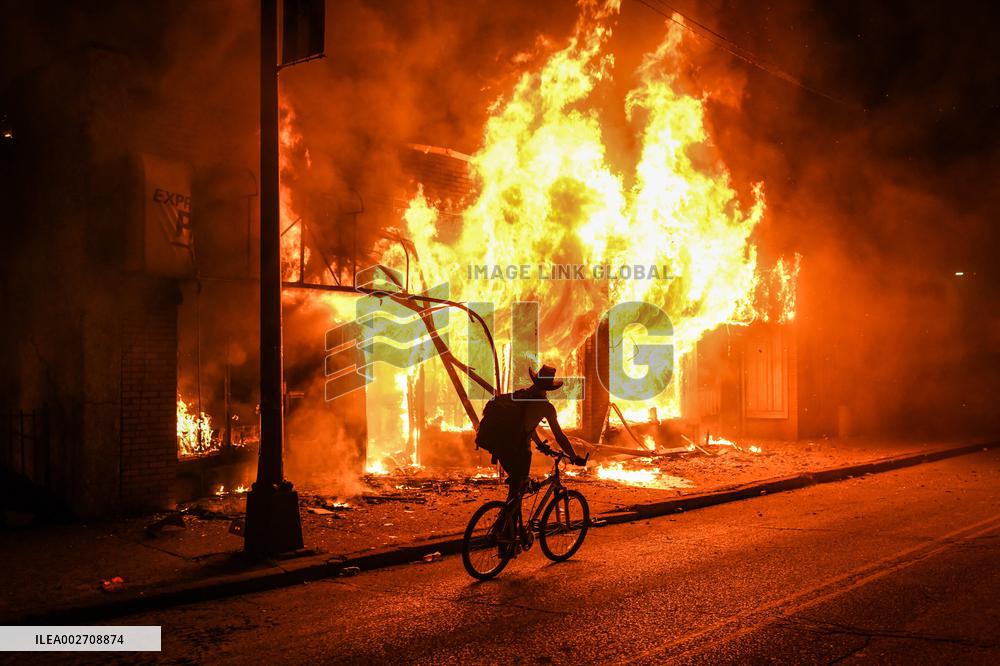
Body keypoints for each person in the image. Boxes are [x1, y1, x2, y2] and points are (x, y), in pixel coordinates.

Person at [476, 364, 587, 518]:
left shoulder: (521, 396)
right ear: (548, 387)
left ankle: (509, 532)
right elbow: (559, 436)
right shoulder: (546, 407)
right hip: (519, 452)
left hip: (501, 446)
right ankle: (505, 532)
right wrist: (573, 456)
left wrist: (540, 444)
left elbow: (525, 425)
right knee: (517, 494)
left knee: (516, 492)